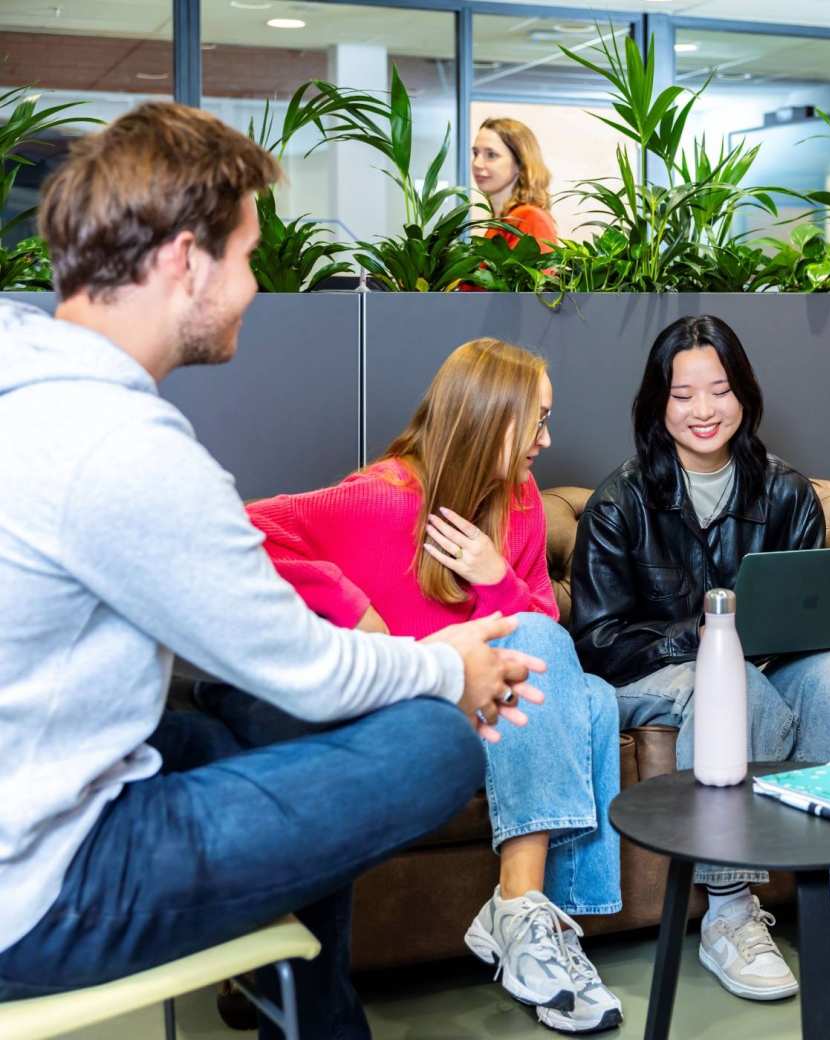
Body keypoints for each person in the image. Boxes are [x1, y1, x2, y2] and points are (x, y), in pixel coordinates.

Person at [0, 102, 546, 1040]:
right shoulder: (121, 446)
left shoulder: (30, 377)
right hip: (42, 889)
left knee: (242, 734)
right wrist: (450, 668)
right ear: (183, 259)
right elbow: (310, 664)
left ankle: (301, 1013)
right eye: (249, 256)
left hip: (39, 789)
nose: (256, 284)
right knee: (432, 743)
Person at [206, 338, 623, 1035]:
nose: (547, 441)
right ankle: (525, 924)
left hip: (494, 699)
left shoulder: (518, 501)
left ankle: (541, 922)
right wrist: (351, 607)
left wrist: (496, 576)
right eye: (537, 421)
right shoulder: (381, 498)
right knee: (576, 690)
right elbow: (243, 526)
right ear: (490, 419)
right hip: (413, 705)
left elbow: (545, 632)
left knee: (598, 698)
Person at [570, 314, 830, 1003]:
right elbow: (599, 644)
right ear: (658, 405)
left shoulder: (787, 492)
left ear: (744, 394)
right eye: (683, 395)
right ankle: (729, 907)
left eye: (719, 390)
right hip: (648, 677)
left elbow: (807, 617)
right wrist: (708, 636)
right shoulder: (619, 503)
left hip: (764, 667)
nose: (703, 411)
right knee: (728, 683)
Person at [472, 117, 558, 252]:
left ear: (520, 163)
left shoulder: (530, 218)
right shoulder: (500, 221)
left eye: (491, 155)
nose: (477, 163)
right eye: (475, 153)